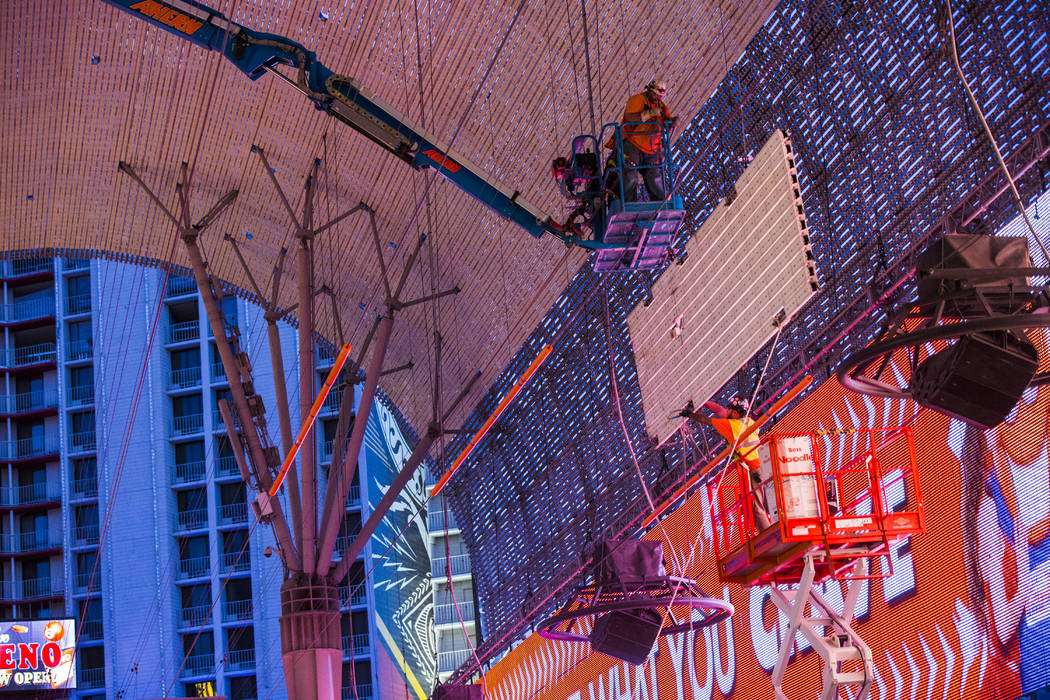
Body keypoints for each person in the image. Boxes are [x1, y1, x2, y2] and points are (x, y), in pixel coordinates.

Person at [679, 396, 772, 531]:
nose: (727, 411)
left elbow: (708, 421)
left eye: (730, 409)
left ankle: (768, 534)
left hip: (752, 469)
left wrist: (690, 415)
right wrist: (704, 402)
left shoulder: (731, 426)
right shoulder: (749, 421)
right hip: (763, 465)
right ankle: (776, 525)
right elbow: (721, 411)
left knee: (756, 507)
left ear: (735, 413)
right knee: (767, 502)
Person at [609, 79, 680, 202]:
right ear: (649, 90)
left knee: (654, 177)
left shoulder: (662, 107)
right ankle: (629, 204)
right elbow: (630, 117)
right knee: (630, 175)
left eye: (660, 96)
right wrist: (650, 113)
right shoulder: (638, 99)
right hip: (632, 144)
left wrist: (674, 122)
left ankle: (661, 203)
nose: (658, 98)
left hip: (652, 149)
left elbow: (667, 123)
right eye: (655, 95)